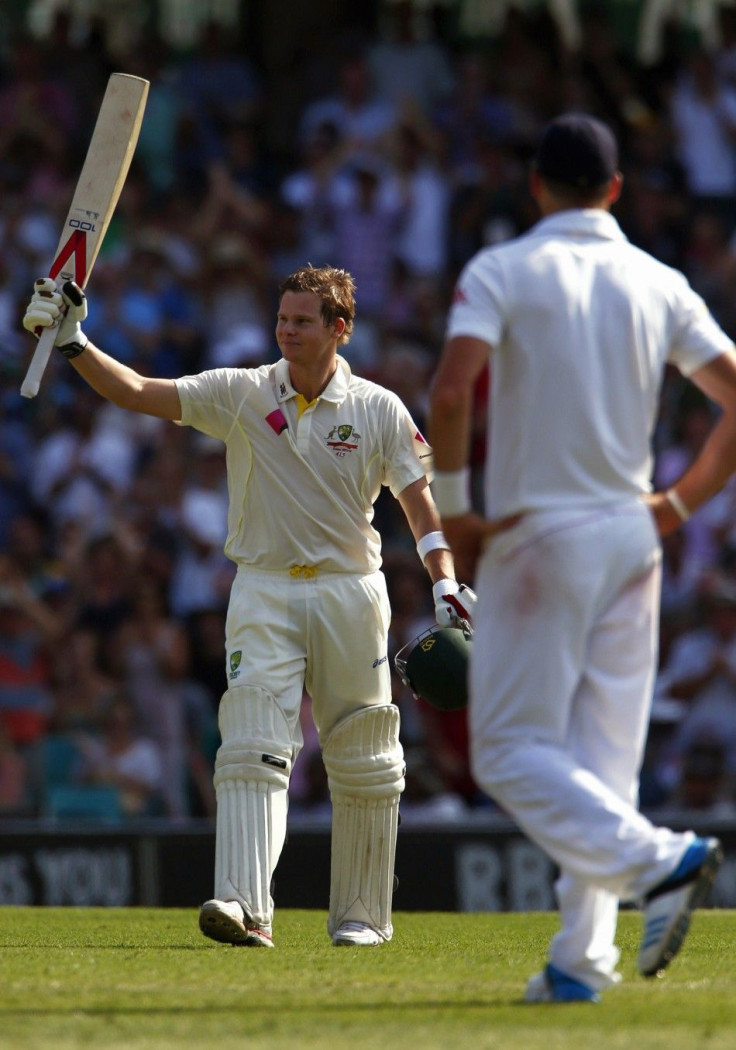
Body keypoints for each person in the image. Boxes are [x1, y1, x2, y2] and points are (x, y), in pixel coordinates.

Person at [22, 263, 475, 948]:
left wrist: (443, 578)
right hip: (263, 587)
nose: (286, 331)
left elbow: (420, 505)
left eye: (301, 321)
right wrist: (73, 342)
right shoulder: (242, 392)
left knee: (365, 756)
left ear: (339, 330)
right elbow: (141, 392)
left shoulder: (379, 408)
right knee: (253, 743)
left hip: (351, 589)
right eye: (282, 318)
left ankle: (362, 917)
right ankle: (243, 906)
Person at [427, 113, 736, 1002]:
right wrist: (678, 505)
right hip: (633, 539)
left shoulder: (504, 268)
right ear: (614, 190)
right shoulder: (658, 279)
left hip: (542, 534)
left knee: (508, 751)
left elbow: (451, 395)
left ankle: (664, 859)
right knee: (602, 763)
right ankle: (579, 962)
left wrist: (458, 514)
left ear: (534, 186)